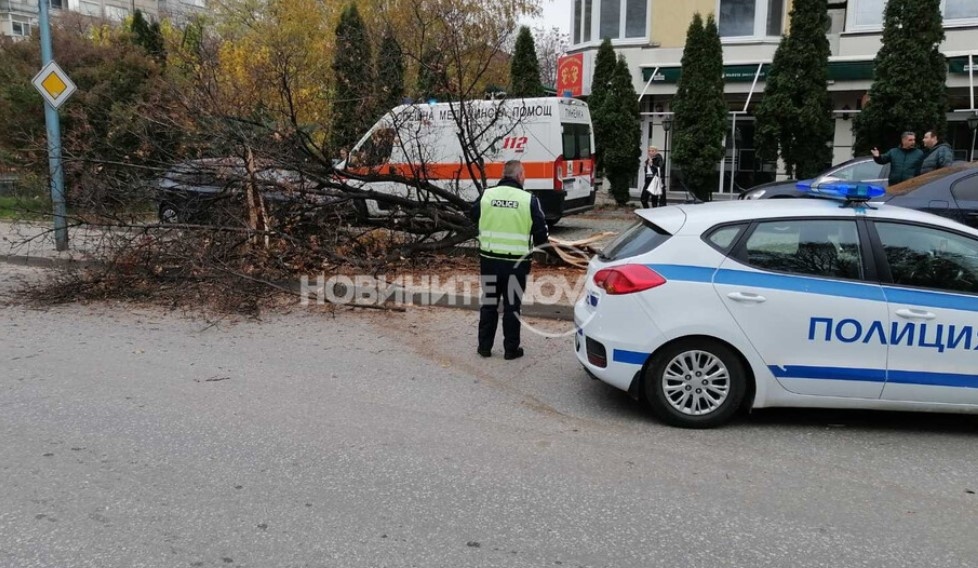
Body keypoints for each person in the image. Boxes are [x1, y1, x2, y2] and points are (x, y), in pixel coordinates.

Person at [470, 160, 549, 360]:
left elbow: (472, 216)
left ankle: (484, 347)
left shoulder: (487, 195)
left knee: (489, 304)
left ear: (504, 175)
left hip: (489, 261)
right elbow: (541, 237)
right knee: (512, 306)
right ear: (520, 175)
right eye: (524, 174)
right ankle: (511, 350)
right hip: (517, 264)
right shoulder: (528, 200)